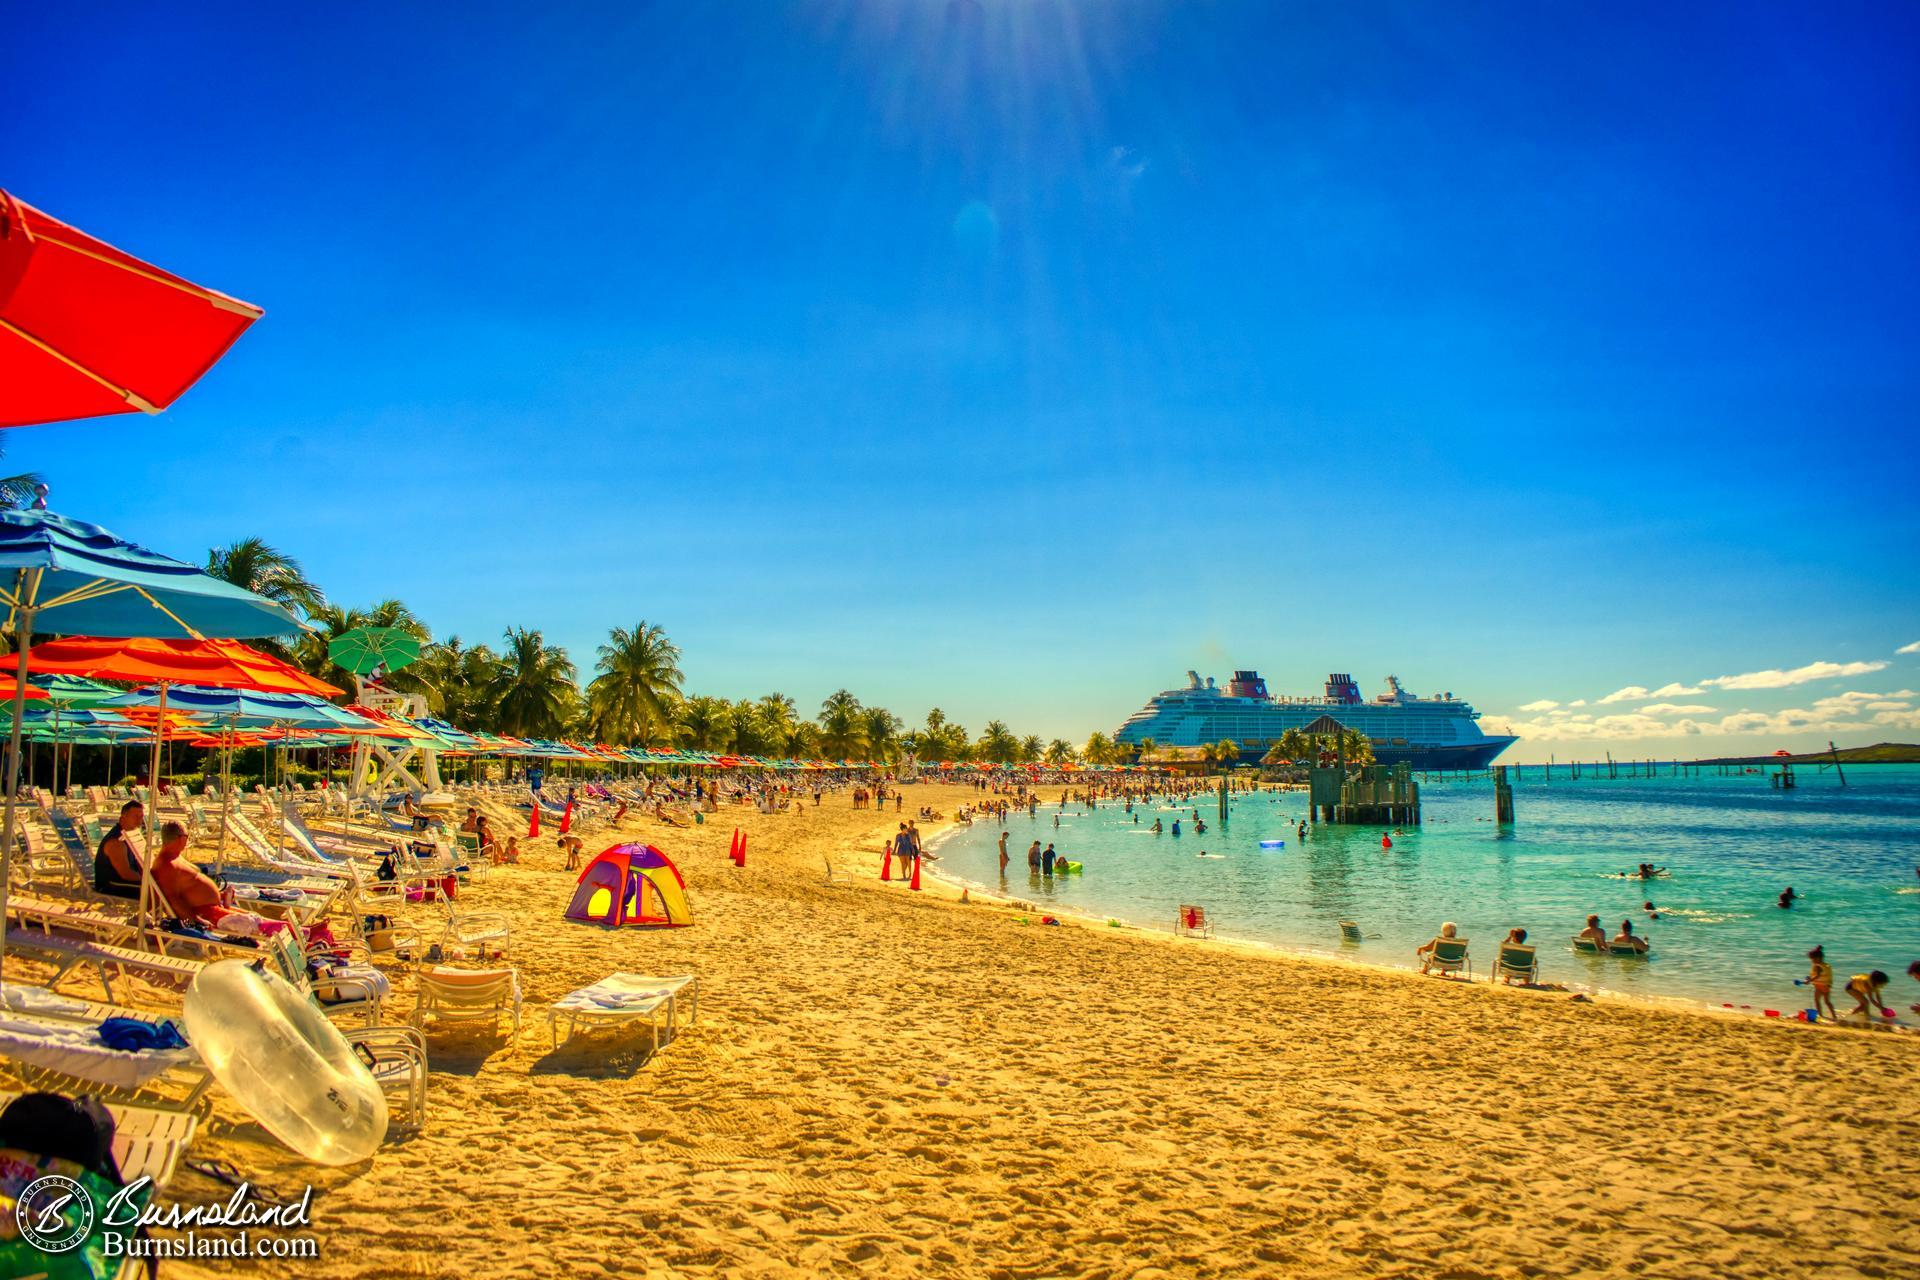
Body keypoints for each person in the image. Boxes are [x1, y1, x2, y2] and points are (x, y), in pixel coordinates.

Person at [94, 799, 144, 900]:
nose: (140, 820)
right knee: (157, 890)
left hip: (122, 883)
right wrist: (149, 880)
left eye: (141, 817)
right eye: (135, 816)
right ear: (123, 818)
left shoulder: (129, 836)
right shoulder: (116, 842)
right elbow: (126, 874)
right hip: (112, 887)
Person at [1805, 946, 1837, 1021]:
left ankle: (1820, 1015)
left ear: (1818, 958)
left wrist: (1808, 981)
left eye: (1812, 959)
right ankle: (1834, 1016)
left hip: (1819, 986)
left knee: (1817, 1000)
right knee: (1827, 1002)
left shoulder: (1818, 966)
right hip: (1826, 986)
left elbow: (1817, 975)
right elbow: (1817, 975)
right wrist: (1810, 978)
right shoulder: (1825, 965)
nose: (1812, 961)